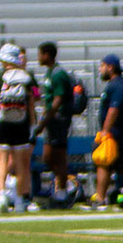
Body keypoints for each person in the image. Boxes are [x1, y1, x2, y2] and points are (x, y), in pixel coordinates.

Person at [0, 43, 37, 212]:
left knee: (2, 160)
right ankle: (19, 200)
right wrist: (32, 124)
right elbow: (32, 102)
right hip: (21, 124)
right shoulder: (27, 77)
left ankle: (2, 195)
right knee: (21, 163)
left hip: (3, 123)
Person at [35, 42, 78, 205]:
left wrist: (45, 119)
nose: (38, 57)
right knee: (48, 158)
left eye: (40, 54)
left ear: (47, 55)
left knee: (59, 156)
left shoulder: (58, 74)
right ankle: (63, 184)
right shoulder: (50, 72)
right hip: (51, 119)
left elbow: (58, 99)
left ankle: (62, 191)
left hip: (58, 119)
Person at [93, 53, 123, 209]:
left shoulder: (119, 85)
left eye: (102, 66)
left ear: (110, 67)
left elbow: (114, 109)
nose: (100, 69)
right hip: (115, 133)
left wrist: (105, 130)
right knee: (107, 164)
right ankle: (101, 198)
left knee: (122, 164)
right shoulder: (114, 85)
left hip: (118, 133)